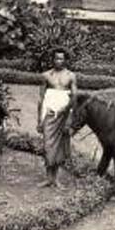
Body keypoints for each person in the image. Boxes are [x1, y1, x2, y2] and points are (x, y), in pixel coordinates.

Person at [36, 48, 77, 188]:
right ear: (52, 59)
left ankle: (56, 178)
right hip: (49, 114)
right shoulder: (46, 75)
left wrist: (69, 117)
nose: (58, 61)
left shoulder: (71, 76)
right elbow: (41, 99)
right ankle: (48, 178)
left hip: (64, 116)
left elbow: (74, 98)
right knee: (48, 145)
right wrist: (38, 120)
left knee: (60, 147)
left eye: (61, 58)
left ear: (65, 60)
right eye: (56, 58)